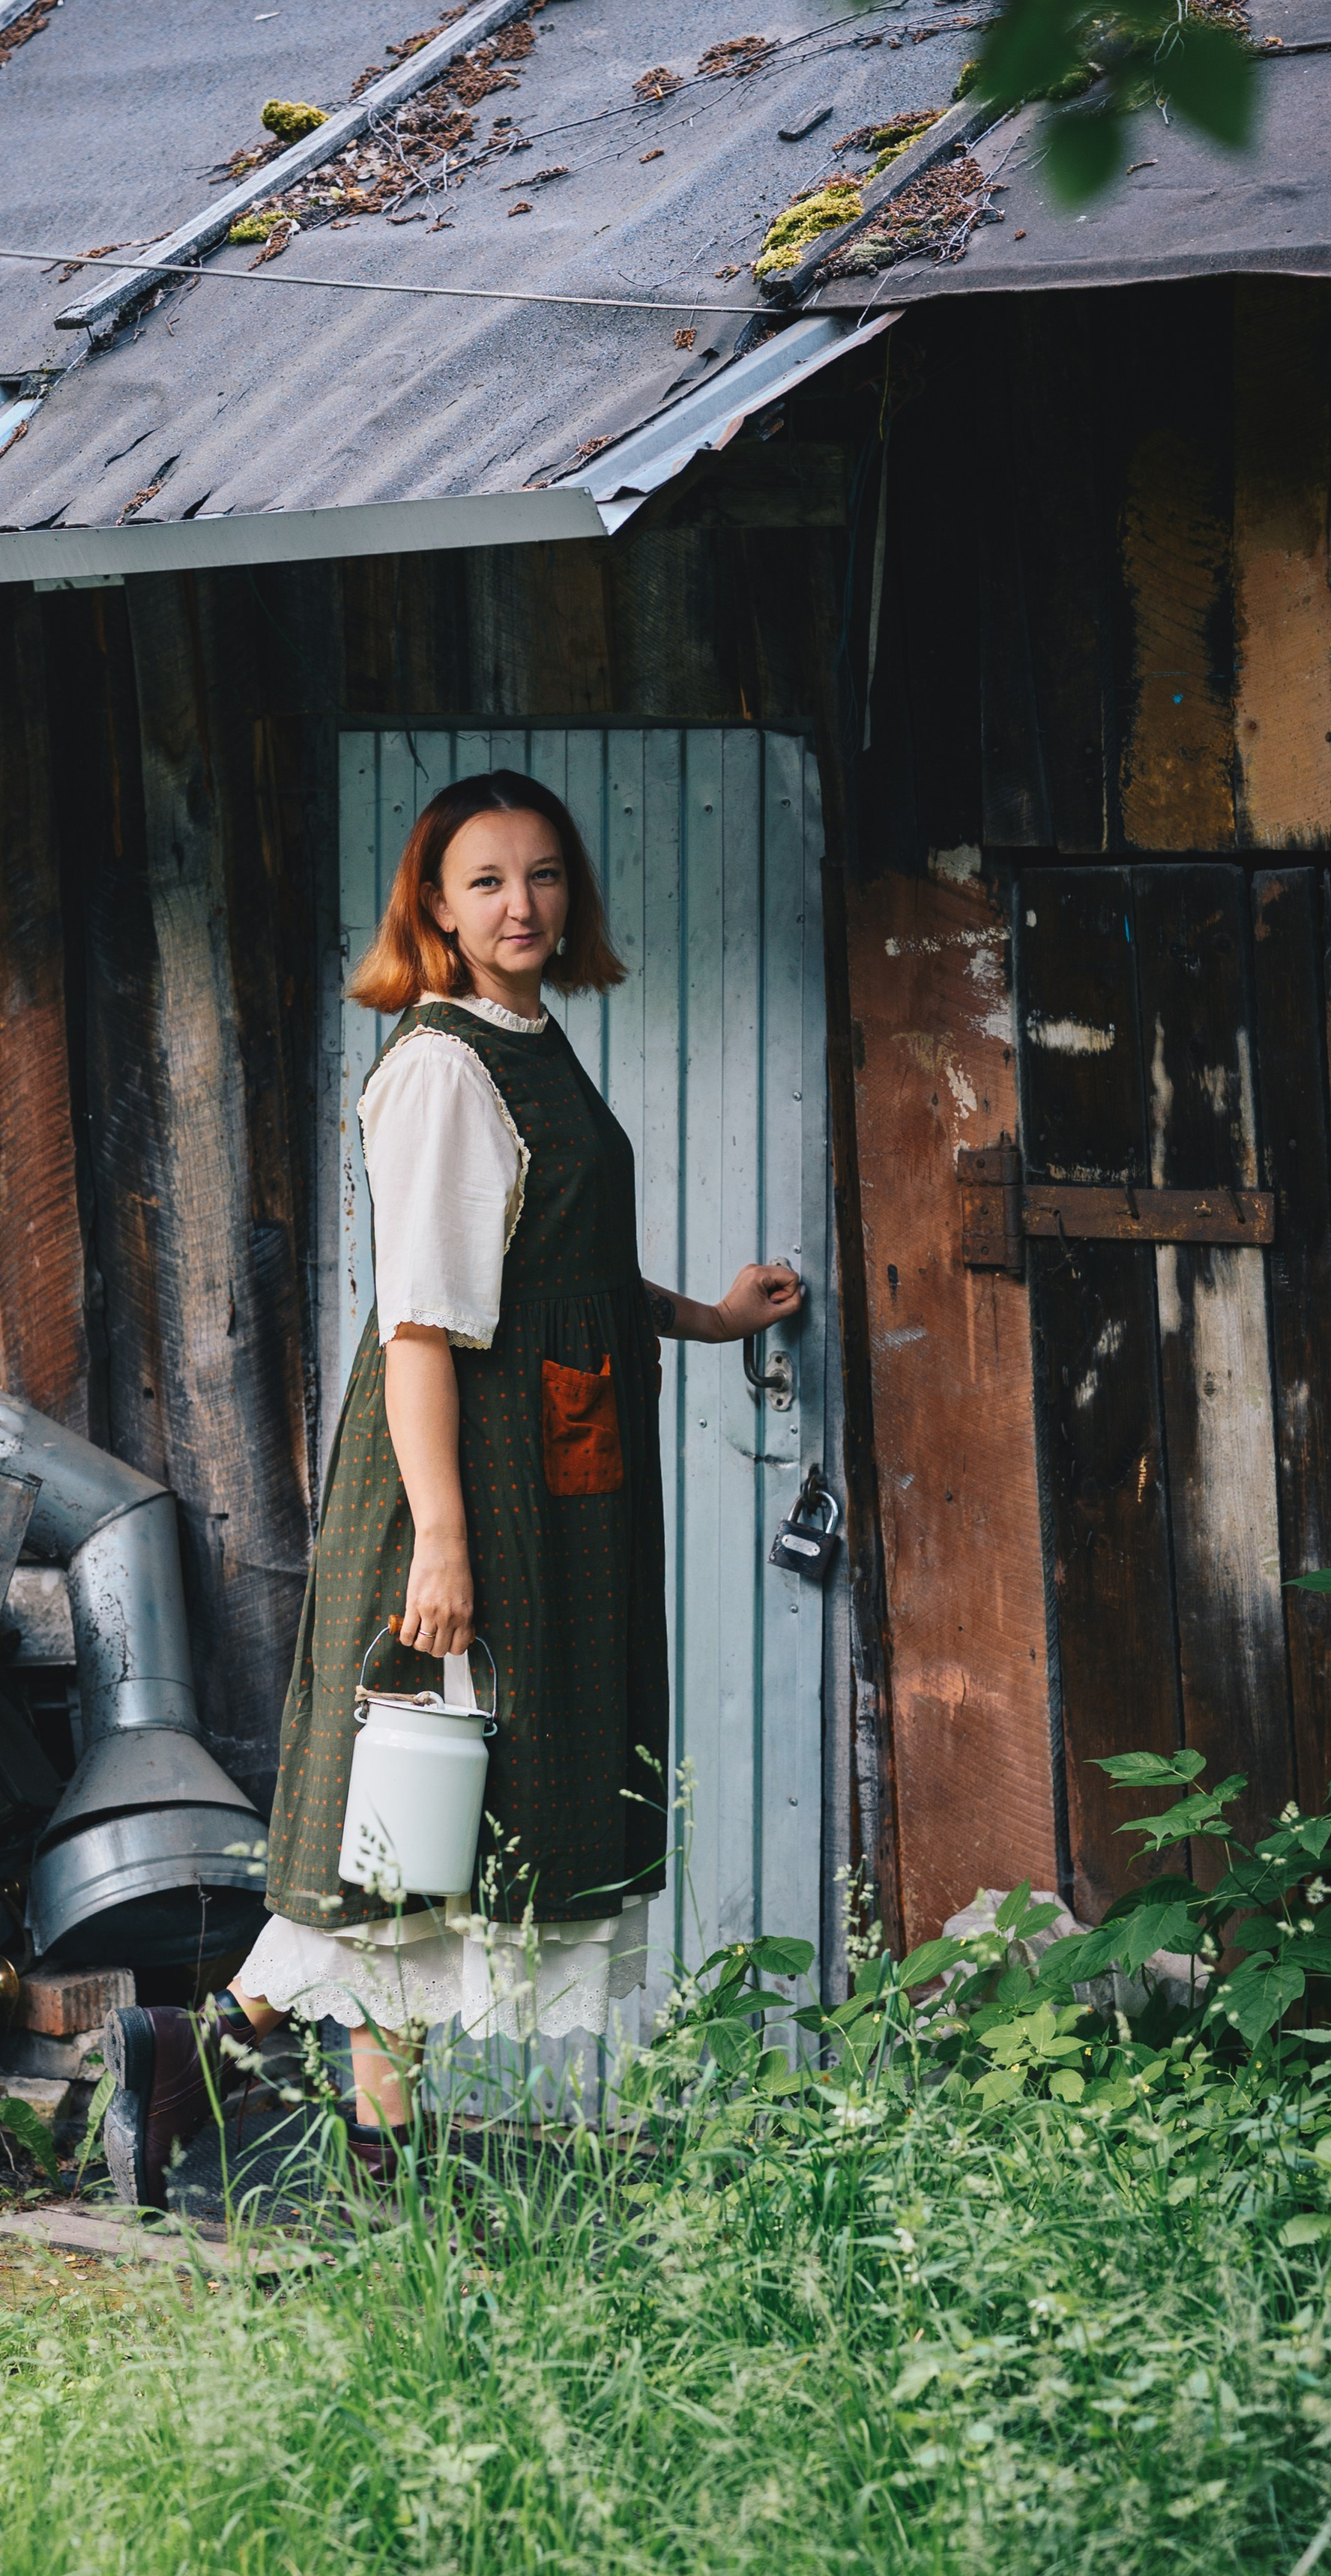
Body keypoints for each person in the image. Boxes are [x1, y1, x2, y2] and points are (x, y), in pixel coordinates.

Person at [102, 770, 804, 2204]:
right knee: (425, 1793)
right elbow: (420, 1322)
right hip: (464, 1477)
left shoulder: (529, 1040)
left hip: (550, 1474)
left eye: (544, 875)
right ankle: (231, 2053)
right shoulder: (438, 1065)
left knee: (447, 1811)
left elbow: (567, 1280)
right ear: (433, 904)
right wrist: (441, 1535)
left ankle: (339, 2127)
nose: (522, 904)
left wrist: (716, 1321)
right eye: (485, 880)